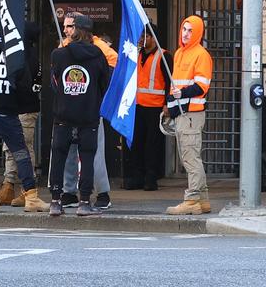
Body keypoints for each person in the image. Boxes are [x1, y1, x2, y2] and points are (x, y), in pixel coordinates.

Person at [0, 14, 48, 213]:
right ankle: (31, 197)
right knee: (21, 153)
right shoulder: (12, 53)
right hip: (5, 110)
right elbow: (23, 85)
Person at [47, 13, 111, 217]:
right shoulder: (98, 55)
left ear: (75, 31)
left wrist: (66, 98)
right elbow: (104, 84)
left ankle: (55, 202)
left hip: (63, 115)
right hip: (89, 115)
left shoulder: (58, 55)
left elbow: (55, 84)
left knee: (59, 158)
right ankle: (84, 202)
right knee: (88, 158)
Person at [59, 23, 117, 210]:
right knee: (69, 152)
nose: (66, 30)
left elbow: (115, 61)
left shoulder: (98, 45)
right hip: (71, 107)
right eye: (65, 26)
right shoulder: (63, 46)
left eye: (69, 26)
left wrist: (100, 93)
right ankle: (69, 193)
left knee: (95, 152)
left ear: (80, 29)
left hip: (90, 108)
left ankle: (102, 193)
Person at [165, 14, 214, 215]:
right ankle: (202, 200)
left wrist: (181, 94)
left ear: (198, 33)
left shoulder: (201, 55)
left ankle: (192, 200)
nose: (185, 34)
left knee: (190, 158)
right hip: (183, 114)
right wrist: (169, 107)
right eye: (184, 29)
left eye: (190, 30)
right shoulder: (179, 54)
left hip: (191, 114)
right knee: (191, 157)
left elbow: (202, 86)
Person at [124, 23, 172, 191]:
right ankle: (137, 177)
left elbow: (169, 83)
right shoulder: (137, 55)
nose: (142, 39)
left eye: (146, 36)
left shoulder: (164, 56)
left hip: (156, 108)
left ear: (153, 37)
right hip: (138, 106)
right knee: (136, 143)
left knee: (153, 145)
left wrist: (167, 104)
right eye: (141, 36)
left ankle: (151, 179)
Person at [0, 21, 41, 207]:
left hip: (22, 108)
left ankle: (26, 188)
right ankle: (9, 186)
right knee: (13, 148)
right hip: (24, 108)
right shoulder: (32, 56)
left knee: (22, 148)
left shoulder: (22, 57)